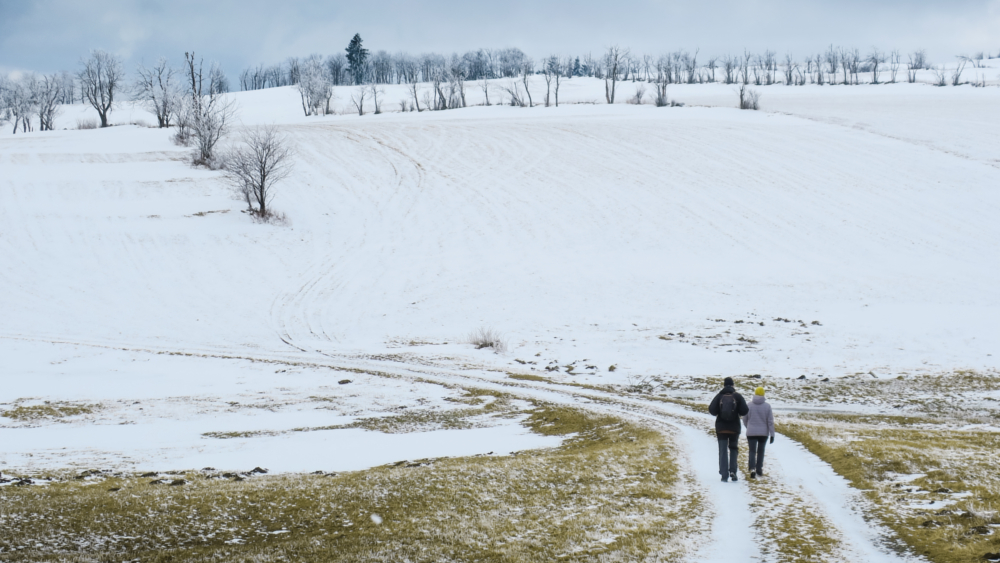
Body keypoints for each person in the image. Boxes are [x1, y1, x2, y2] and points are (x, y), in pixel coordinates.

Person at [708, 376, 749, 482]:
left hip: (721, 428)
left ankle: (724, 474)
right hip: (734, 428)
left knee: (723, 451)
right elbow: (745, 411)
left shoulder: (719, 396)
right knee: (733, 449)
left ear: (724, 385)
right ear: (733, 385)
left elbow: (712, 410)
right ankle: (733, 471)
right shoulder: (737, 396)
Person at [742, 386, 775, 479]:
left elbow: (744, 419)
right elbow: (770, 421)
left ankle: (752, 468)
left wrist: (748, 427)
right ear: (763, 394)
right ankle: (759, 469)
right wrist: (772, 434)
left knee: (752, 451)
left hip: (751, 432)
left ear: (755, 393)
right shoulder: (767, 406)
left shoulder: (749, 405)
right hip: (763, 433)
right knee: (761, 451)